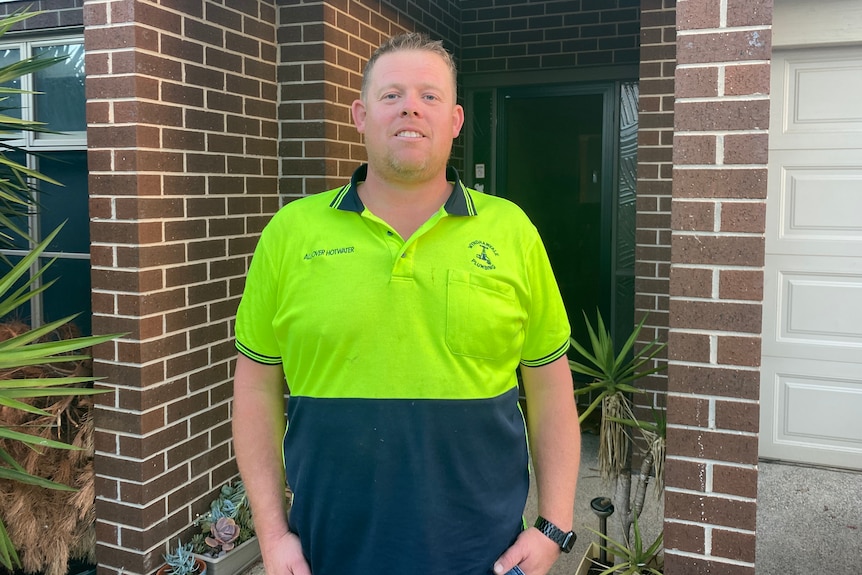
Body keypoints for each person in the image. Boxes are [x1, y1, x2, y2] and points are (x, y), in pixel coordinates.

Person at [232, 32, 581, 575]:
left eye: (430, 95)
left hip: (483, 556)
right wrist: (273, 536)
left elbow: (550, 384)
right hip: (327, 554)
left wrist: (553, 526)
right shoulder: (290, 232)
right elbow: (255, 387)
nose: (410, 107)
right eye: (392, 94)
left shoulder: (511, 230)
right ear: (360, 114)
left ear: (456, 120)